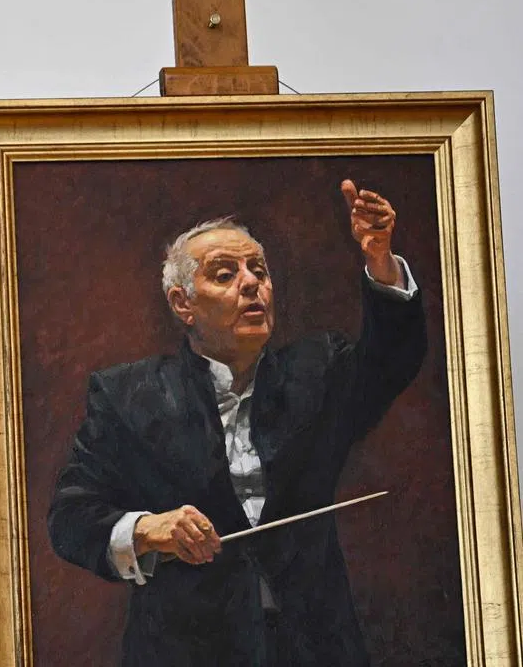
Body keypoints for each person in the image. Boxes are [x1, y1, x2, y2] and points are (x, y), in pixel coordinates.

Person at [47, 181, 427, 666]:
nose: (251, 284)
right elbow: (70, 517)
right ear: (183, 304)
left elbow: (393, 361)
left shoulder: (321, 371)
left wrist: (380, 261)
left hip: (315, 649)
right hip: (184, 652)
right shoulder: (126, 396)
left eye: (259, 271)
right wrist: (147, 528)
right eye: (225, 274)